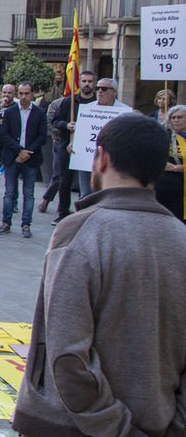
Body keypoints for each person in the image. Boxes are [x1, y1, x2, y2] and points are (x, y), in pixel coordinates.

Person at [12, 113, 186, 436]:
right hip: (157, 424)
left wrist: (119, 428)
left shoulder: (80, 231)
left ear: (101, 158)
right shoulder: (180, 237)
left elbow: (68, 360)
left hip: (74, 426)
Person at [0, 82, 46, 238]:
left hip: (31, 159)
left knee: (29, 193)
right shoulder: (10, 112)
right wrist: (19, 150)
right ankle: (6, 222)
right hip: (12, 157)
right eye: (21, 93)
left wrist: (27, 152)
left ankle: (26, 224)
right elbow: (4, 135)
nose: (23, 97)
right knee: (10, 192)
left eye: (26, 93)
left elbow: (42, 137)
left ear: (32, 94)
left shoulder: (39, 113)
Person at [51, 70, 97, 223]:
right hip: (67, 146)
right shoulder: (68, 102)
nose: (87, 84)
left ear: (94, 83)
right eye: (84, 81)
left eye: (90, 81)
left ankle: (86, 213)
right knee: (65, 181)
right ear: (79, 83)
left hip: (89, 149)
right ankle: (63, 212)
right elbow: (55, 121)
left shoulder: (98, 103)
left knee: (89, 183)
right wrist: (66, 125)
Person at [155, 104, 186, 221]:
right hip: (167, 187)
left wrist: (176, 168)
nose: (176, 120)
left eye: (180, 117)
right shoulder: (164, 136)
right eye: (173, 117)